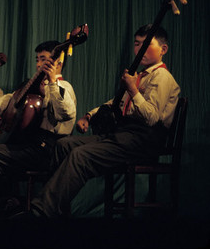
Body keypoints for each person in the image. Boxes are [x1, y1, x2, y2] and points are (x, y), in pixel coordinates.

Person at [29, 24, 180, 218]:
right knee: (64, 145)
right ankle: (56, 210)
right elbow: (116, 103)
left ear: (163, 50)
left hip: (142, 141)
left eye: (146, 44)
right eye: (136, 44)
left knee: (80, 156)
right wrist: (89, 116)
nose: (139, 49)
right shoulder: (140, 76)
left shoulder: (163, 77)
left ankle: (39, 212)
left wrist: (133, 89)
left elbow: (151, 118)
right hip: (123, 136)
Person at [0, 41, 77, 217]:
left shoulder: (63, 87)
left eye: (44, 59)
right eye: (37, 59)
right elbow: (9, 98)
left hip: (46, 150)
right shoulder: (35, 87)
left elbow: (66, 113)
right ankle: (6, 204)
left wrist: (53, 82)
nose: (39, 64)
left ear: (58, 63)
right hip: (28, 147)